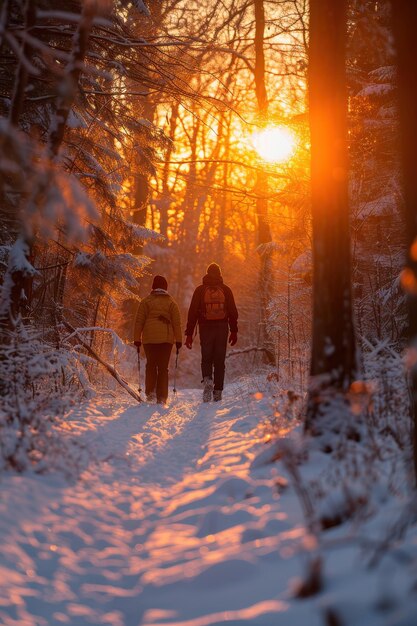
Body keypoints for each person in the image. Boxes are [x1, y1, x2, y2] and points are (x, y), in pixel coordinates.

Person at [185, 262, 238, 402]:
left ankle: (208, 380)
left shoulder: (200, 290)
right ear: (220, 274)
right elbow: (233, 312)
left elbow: (192, 313)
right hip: (222, 328)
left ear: (207, 273)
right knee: (219, 361)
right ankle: (218, 392)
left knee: (206, 358)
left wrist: (189, 334)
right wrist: (234, 331)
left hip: (205, 327)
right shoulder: (226, 290)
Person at [134, 275, 182, 404]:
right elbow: (177, 323)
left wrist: (137, 339)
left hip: (149, 340)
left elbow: (139, 322)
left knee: (150, 366)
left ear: (153, 287)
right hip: (166, 341)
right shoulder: (171, 302)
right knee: (163, 368)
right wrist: (178, 340)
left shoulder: (145, 302)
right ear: (166, 287)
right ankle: (162, 398)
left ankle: (150, 395)